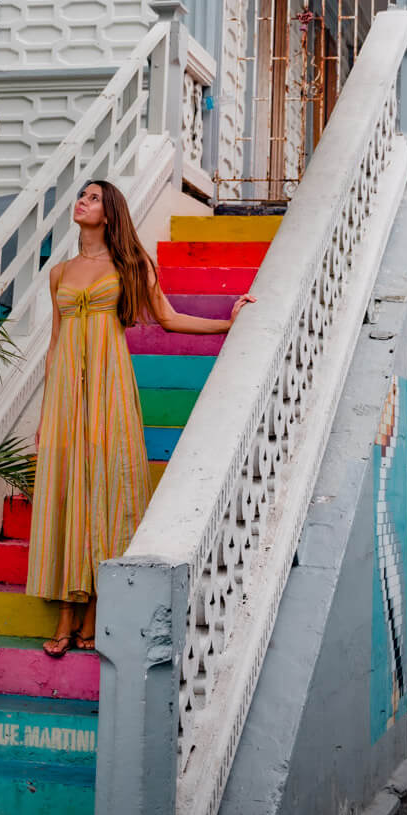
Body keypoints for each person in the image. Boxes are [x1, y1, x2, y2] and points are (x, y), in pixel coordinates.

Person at [25, 179, 254, 656]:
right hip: (68, 393)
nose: (81, 201)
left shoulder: (131, 264)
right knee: (68, 491)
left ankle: (92, 614)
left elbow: (167, 318)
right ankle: (66, 614)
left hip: (109, 389)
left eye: (91, 197)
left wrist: (227, 324)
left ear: (108, 213)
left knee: (104, 492)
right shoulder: (60, 273)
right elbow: (54, 345)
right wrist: (48, 411)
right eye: (81, 195)